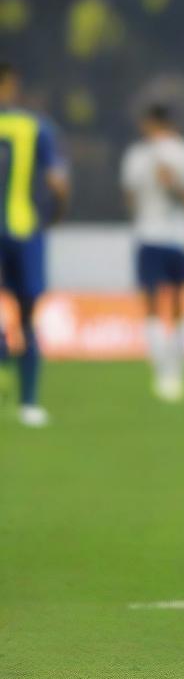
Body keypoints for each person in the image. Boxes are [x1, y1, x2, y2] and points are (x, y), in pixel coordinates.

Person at [0, 61, 69, 427]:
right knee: (27, 318)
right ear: (11, 83)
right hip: (25, 230)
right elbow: (58, 183)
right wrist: (54, 216)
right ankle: (29, 403)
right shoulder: (36, 126)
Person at [121, 104, 184, 401]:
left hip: (149, 235)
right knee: (179, 306)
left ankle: (162, 375)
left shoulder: (137, 155)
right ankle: (175, 373)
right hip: (180, 236)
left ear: (151, 123)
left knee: (153, 306)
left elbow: (130, 197)